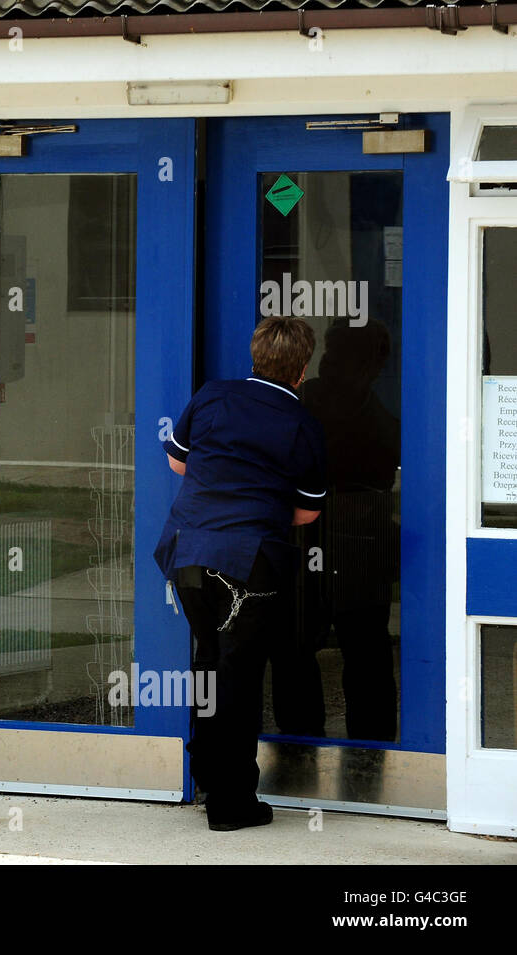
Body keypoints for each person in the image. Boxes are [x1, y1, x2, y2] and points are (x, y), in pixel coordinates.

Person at [154, 316, 327, 831]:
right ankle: (232, 805)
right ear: (301, 369)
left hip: (187, 550)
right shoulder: (303, 423)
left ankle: (207, 778)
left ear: (255, 357)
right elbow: (308, 512)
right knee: (240, 677)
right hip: (248, 562)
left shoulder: (213, 396)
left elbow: (178, 464)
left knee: (210, 664)